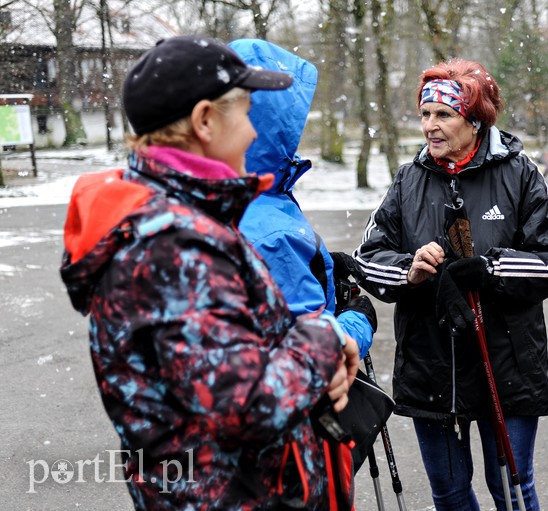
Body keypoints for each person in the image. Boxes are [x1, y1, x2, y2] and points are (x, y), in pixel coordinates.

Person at [59, 35, 359, 510]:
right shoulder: (174, 246)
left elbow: (225, 359)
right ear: (204, 121)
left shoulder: (186, 221)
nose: (253, 133)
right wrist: (325, 339)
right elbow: (249, 404)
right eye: (243, 112)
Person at [353, 58, 548, 510]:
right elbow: (367, 258)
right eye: (424, 114)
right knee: (450, 496)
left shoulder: (519, 174)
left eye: (443, 115)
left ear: (473, 120)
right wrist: (408, 270)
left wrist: (492, 269)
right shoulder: (408, 180)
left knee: (512, 490)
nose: (429, 126)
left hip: (506, 366)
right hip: (432, 367)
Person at [228, 38, 376, 359]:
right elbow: (314, 355)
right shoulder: (269, 229)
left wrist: (319, 266)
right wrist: (357, 321)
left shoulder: (241, 194)